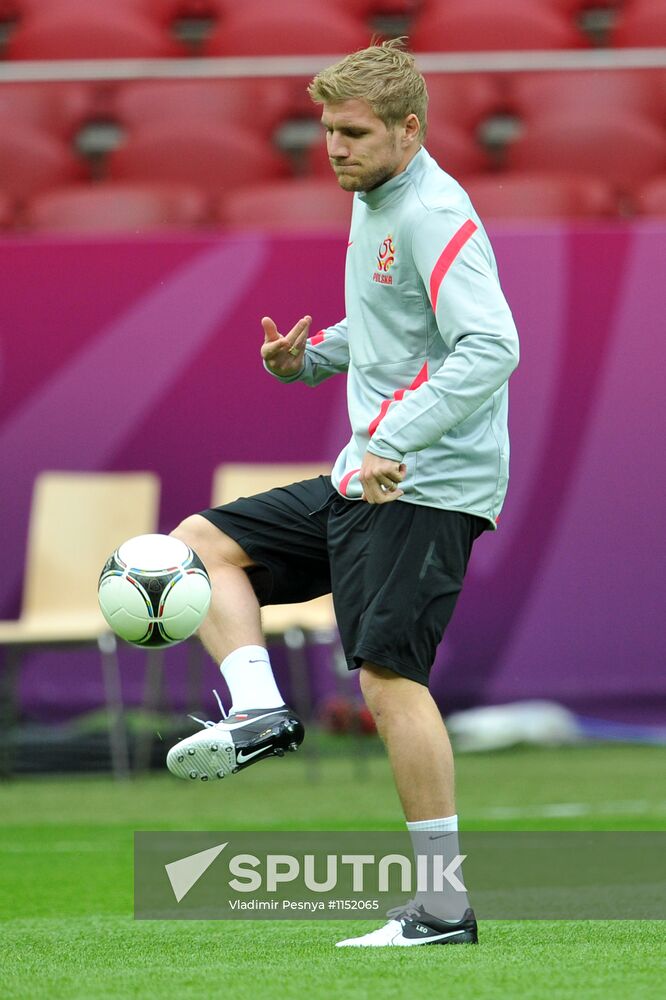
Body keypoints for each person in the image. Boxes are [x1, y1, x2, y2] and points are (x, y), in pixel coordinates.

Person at [167, 39, 519, 947]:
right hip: (366, 471)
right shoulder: (375, 197)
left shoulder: (433, 211)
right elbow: (395, 332)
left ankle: (442, 908)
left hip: (426, 482)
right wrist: (312, 356)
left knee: (389, 678)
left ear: (409, 128)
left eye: (354, 132)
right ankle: (260, 712)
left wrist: (393, 439)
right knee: (197, 548)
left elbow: (491, 347)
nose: (334, 147)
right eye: (326, 130)